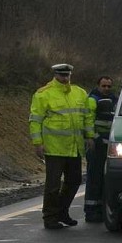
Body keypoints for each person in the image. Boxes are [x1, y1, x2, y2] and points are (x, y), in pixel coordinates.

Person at [29, 63, 95, 230]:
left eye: (67, 75)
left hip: (74, 147)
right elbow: (35, 120)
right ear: (55, 75)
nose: (65, 78)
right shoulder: (44, 94)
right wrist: (38, 144)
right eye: (62, 75)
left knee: (74, 181)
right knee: (53, 185)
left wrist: (89, 136)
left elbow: (86, 117)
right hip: (54, 148)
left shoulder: (79, 93)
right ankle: (50, 217)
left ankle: (62, 212)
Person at [84, 75, 117, 222]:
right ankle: (91, 211)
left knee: (107, 179)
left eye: (109, 86)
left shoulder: (116, 100)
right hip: (96, 144)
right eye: (103, 86)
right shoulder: (92, 100)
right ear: (98, 86)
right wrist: (92, 137)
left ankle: (104, 209)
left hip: (111, 144)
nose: (106, 89)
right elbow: (88, 120)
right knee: (94, 178)